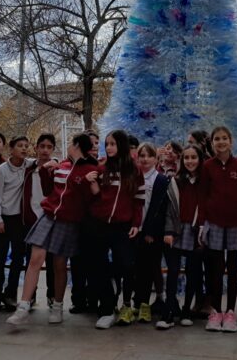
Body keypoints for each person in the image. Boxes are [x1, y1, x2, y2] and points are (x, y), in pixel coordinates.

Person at [7, 133, 98, 327]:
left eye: (71, 144)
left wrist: (85, 179)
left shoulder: (91, 169)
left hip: (68, 221)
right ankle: (23, 306)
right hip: (48, 216)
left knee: (59, 264)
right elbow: (49, 191)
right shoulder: (62, 165)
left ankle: (57, 305)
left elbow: (88, 198)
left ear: (76, 146)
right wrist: (47, 173)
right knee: (35, 259)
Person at [87, 130, 144, 329]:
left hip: (123, 226)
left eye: (113, 144)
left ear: (122, 145)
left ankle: (126, 304)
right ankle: (107, 309)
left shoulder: (134, 170)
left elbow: (138, 200)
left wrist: (136, 223)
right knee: (99, 267)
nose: (109, 147)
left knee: (126, 265)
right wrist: (92, 182)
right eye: (107, 144)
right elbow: (96, 197)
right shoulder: (101, 167)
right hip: (100, 225)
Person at [199, 126, 237, 333]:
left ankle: (230, 312)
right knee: (215, 270)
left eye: (224, 138)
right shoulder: (207, 166)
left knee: (233, 269)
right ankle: (216, 311)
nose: (220, 142)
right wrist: (202, 225)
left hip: (235, 225)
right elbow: (202, 197)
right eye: (216, 139)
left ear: (230, 141)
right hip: (214, 224)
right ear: (212, 143)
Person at [161, 144, 205, 329]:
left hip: (196, 231)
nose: (190, 161)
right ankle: (169, 311)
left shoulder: (205, 182)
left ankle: (187, 309)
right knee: (172, 272)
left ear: (200, 159)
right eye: (186, 158)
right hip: (176, 231)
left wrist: (202, 229)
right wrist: (169, 231)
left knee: (193, 272)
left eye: (193, 157)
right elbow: (169, 210)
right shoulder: (175, 181)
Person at [0, 136, 31, 311]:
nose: (23, 149)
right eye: (20, 146)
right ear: (11, 149)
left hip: (19, 220)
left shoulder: (28, 166)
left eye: (26, 146)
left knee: (17, 259)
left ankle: (11, 293)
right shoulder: (1, 170)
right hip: (3, 218)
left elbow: (47, 161)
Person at [132, 142, 170, 324]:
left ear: (156, 159)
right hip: (134, 230)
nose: (145, 159)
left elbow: (159, 210)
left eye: (149, 155)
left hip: (150, 233)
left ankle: (145, 304)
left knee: (148, 270)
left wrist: (150, 231)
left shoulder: (161, 180)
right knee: (135, 269)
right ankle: (135, 303)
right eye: (142, 155)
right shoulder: (134, 177)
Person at [24, 133, 59, 308]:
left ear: (53, 149)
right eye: (42, 146)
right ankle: (30, 296)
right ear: (36, 147)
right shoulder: (29, 168)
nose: (45, 150)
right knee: (30, 260)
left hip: (51, 220)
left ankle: (52, 296)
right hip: (31, 218)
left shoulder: (57, 169)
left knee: (52, 261)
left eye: (49, 147)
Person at [70, 130, 100, 314]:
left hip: (94, 223)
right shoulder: (71, 166)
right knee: (77, 263)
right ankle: (78, 299)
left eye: (97, 143)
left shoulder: (98, 167)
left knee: (93, 263)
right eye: (91, 143)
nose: (94, 146)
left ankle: (94, 298)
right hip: (76, 221)